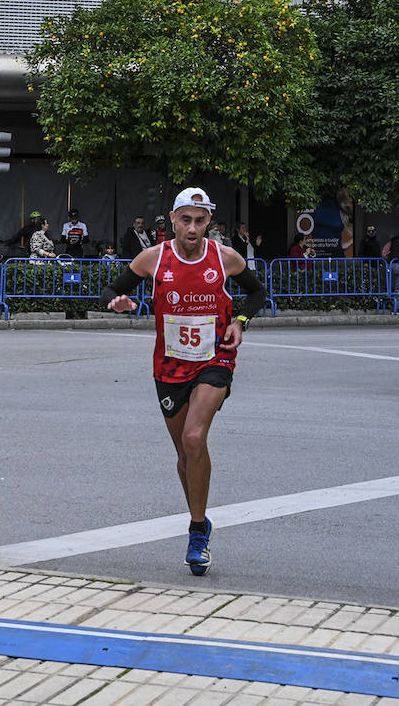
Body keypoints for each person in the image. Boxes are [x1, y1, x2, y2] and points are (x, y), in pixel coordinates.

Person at [101, 188, 267, 577]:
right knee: (184, 455)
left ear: (209, 222)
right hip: (170, 367)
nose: (193, 228)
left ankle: (195, 532)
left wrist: (241, 322)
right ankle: (201, 521)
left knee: (194, 438)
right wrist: (116, 301)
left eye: (200, 220)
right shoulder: (153, 258)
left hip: (215, 360)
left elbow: (257, 292)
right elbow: (112, 289)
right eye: (186, 220)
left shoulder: (224, 257)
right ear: (173, 220)